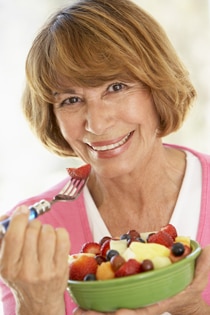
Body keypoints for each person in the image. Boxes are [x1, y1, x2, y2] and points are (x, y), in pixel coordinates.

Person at [0, 0, 210, 314]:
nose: (96, 124)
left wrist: (193, 309)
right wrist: (38, 304)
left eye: (116, 87)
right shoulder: (32, 236)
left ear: (157, 87)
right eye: (71, 99)